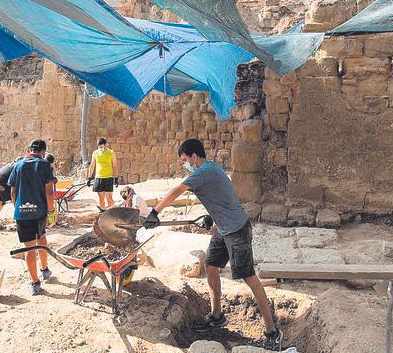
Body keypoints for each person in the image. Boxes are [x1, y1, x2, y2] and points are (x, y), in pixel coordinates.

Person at [143, 138, 283, 350]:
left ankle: (272, 331)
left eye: (185, 160)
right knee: (210, 266)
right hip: (222, 228)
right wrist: (212, 216)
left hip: (237, 230)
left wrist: (155, 212)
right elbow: (221, 196)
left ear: (194, 156)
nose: (185, 165)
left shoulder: (202, 172)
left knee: (249, 278)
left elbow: (176, 191)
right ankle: (217, 316)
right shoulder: (212, 170)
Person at [9, 139, 56, 295]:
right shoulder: (44, 165)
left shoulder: (18, 165)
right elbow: (49, 191)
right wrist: (51, 212)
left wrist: (18, 208)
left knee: (29, 247)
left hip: (22, 212)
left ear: (29, 150)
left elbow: (13, 191)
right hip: (40, 211)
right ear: (43, 152)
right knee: (41, 238)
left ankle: (34, 283)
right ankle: (44, 270)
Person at [0, 156, 24, 232]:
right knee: (18, 201)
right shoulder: (18, 167)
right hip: (1, 181)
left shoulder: (9, 165)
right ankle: (21, 223)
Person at [87, 137, 118, 210]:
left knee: (109, 198)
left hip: (108, 177)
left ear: (105, 145)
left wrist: (116, 178)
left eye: (102, 146)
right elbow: (92, 165)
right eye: (99, 147)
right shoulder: (95, 153)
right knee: (101, 198)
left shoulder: (111, 152)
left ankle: (112, 214)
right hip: (99, 177)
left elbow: (115, 165)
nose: (101, 148)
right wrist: (89, 177)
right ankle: (102, 213)